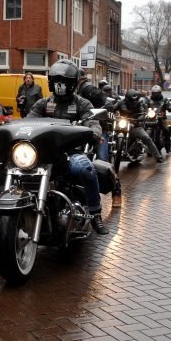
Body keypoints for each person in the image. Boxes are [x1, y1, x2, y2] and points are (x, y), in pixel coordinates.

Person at [27, 59, 110, 234]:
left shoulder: (82, 103)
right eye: (56, 81)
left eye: (64, 81)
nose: (60, 85)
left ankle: (95, 213)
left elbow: (92, 122)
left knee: (86, 169)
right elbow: (28, 121)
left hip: (72, 152)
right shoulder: (43, 104)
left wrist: (94, 133)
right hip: (45, 154)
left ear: (72, 83)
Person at [75, 69, 122, 209]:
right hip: (78, 130)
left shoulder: (89, 89)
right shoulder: (70, 94)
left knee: (102, 159)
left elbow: (107, 103)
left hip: (97, 128)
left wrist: (97, 117)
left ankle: (116, 191)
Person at [114, 89, 165, 162]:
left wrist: (139, 118)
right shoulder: (120, 103)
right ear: (127, 98)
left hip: (135, 125)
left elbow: (142, 112)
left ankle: (158, 157)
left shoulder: (139, 103)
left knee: (146, 138)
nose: (133, 102)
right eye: (131, 100)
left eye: (135, 100)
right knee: (111, 134)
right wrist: (109, 111)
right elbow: (112, 108)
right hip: (122, 124)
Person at [148, 85, 171, 155]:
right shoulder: (149, 100)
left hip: (161, 119)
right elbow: (143, 105)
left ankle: (168, 148)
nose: (156, 94)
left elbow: (169, 106)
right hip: (150, 119)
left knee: (166, 130)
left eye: (157, 93)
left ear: (160, 93)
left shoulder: (164, 100)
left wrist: (170, 107)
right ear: (152, 93)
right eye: (154, 93)